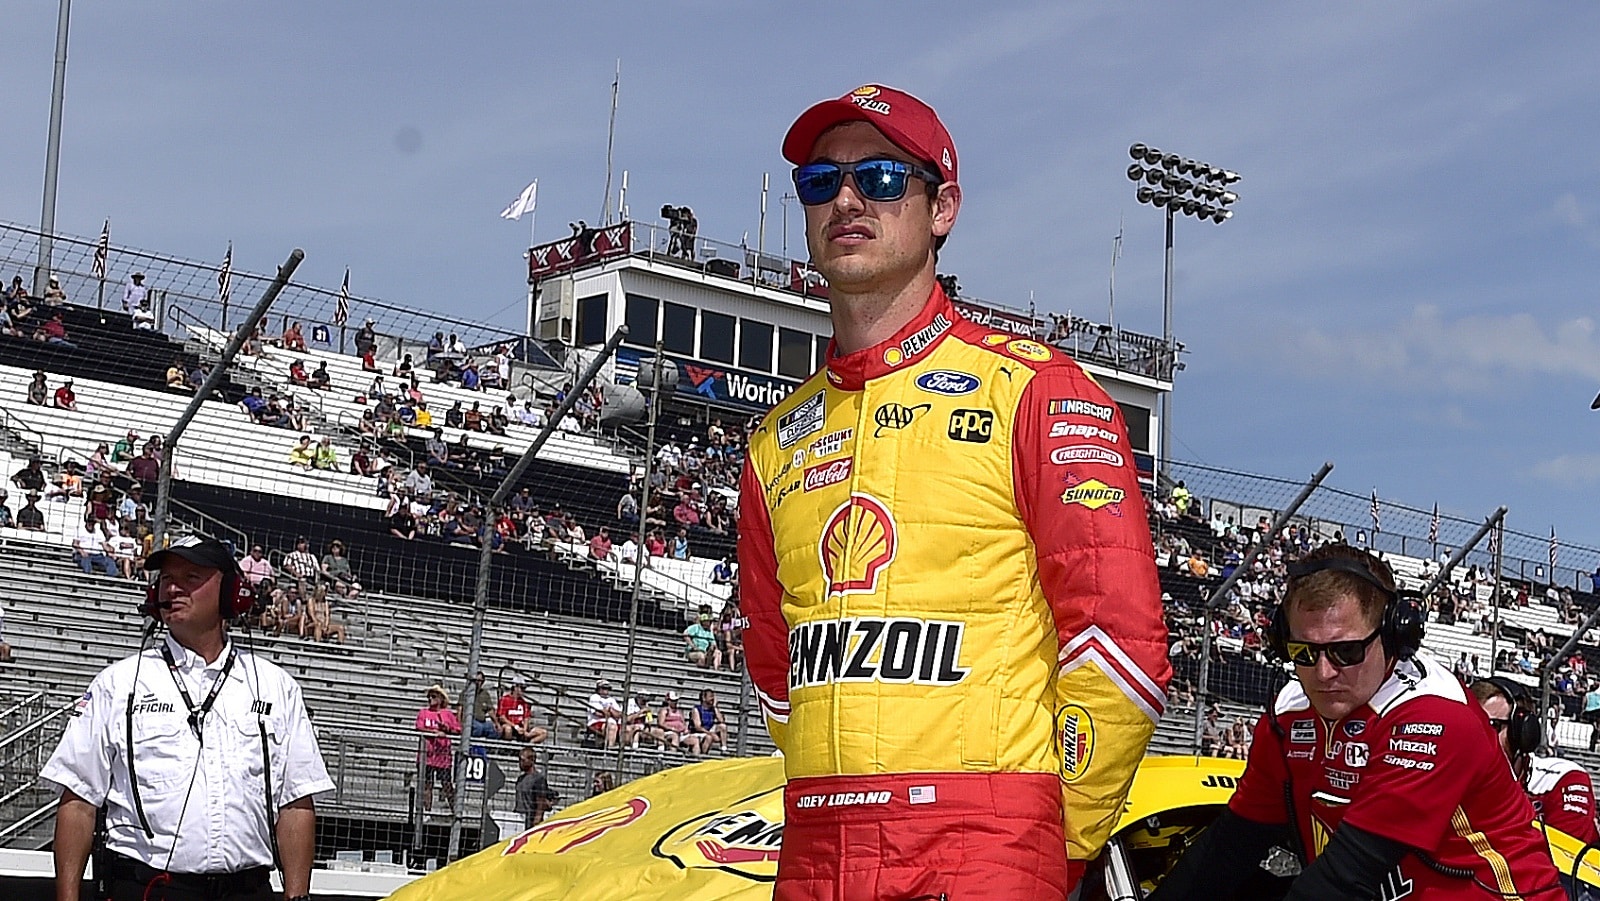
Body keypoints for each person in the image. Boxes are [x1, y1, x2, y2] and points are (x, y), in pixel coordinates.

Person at [738, 83, 1170, 900]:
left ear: (944, 209)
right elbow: (773, 667)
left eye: (884, 177)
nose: (849, 199)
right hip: (816, 850)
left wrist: (1048, 834)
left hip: (982, 846)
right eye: (821, 182)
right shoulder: (773, 444)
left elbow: (1120, 646)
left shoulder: (1036, 391)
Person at [1149, 545, 1562, 900]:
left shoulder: (1436, 713)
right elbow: (1231, 847)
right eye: (1303, 653)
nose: (1324, 673)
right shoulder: (1288, 714)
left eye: (1346, 651)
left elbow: (1345, 876)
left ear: (1394, 637)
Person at [41, 536, 331, 901]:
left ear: (232, 593)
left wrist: (297, 896)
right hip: (147, 888)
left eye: (191, 577)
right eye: (165, 579)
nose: (173, 588)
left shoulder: (277, 687)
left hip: (247, 890)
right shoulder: (117, 684)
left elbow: (296, 803)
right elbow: (79, 802)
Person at [1472, 677, 1600, 900]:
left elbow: (1557, 865)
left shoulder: (1563, 778)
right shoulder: (1453, 780)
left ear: (1523, 732)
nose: (1477, 736)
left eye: (1492, 726)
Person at [415, 685, 460, 812]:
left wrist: (447, 729)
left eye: (433, 696)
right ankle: (426, 811)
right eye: (429, 696)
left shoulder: (448, 714)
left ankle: (454, 811)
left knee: (447, 785)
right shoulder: (424, 712)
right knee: (427, 785)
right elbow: (419, 727)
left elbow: (457, 729)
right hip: (427, 755)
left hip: (443, 756)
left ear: (440, 699)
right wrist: (434, 732)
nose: (430, 698)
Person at [513, 747, 558, 828]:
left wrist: (537, 818)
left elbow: (541, 801)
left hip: (530, 817)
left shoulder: (538, 779)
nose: (520, 763)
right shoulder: (520, 779)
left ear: (532, 760)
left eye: (523, 760)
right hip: (519, 816)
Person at [496, 678, 549, 745]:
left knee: (543, 733)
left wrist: (524, 729)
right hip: (510, 726)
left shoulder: (523, 702)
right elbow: (502, 717)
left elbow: (526, 718)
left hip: (521, 728)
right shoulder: (504, 699)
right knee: (508, 729)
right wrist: (515, 727)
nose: (523, 691)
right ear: (515, 688)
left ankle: (529, 745)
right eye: (522, 688)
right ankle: (507, 749)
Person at [585, 679, 623, 749]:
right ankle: (610, 748)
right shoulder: (594, 697)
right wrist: (611, 712)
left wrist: (610, 710)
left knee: (626, 729)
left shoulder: (612, 699)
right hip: (596, 722)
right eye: (603, 688)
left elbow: (619, 715)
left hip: (612, 721)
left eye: (607, 688)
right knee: (612, 727)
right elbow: (598, 713)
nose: (606, 690)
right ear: (598, 689)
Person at [691, 688, 729, 753]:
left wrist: (715, 707)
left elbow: (721, 720)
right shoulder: (697, 709)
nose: (713, 698)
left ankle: (724, 748)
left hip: (708, 730)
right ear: (704, 698)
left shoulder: (712, 709)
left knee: (722, 727)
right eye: (710, 696)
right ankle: (703, 755)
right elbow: (698, 727)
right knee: (709, 737)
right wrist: (711, 734)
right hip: (697, 733)